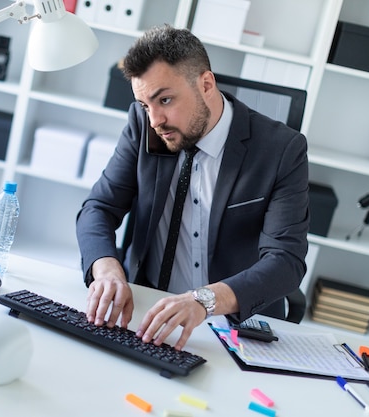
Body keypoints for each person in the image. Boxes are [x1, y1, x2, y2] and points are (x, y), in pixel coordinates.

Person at [75, 25, 309, 351]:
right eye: (144, 105)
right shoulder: (146, 125)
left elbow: (286, 261)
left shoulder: (281, 150)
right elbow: (98, 208)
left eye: (165, 100)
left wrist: (202, 301)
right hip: (147, 308)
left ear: (206, 84)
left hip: (229, 325)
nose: (155, 120)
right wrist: (107, 271)